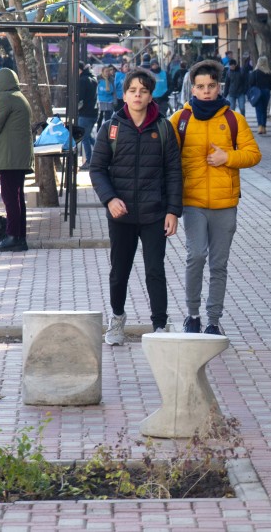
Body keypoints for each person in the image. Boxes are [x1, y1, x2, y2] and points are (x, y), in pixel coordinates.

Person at [169, 60, 262, 336]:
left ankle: (212, 319)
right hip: (192, 202)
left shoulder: (233, 119)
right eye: (200, 87)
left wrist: (227, 158)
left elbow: (254, 154)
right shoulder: (180, 120)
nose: (206, 91)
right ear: (192, 88)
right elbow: (164, 155)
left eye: (211, 86)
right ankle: (192, 315)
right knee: (196, 255)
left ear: (218, 86)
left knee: (218, 263)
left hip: (225, 204)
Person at [90, 69, 183, 343]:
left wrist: (173, 211)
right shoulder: (112, 128)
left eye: (143, 91)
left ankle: (159, 326)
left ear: (151, 94)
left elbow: (174, 172)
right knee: (119, 271)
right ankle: (117, 319)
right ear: (124, 94)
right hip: (122, 214)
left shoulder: (164, 128)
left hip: (155, 213)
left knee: (155, 270)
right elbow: (97, 169)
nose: (138, 95)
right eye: (132, 90)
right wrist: (110, 199)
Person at [0, 68, 34, 252]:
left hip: (10, 157)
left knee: (10, 197)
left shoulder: (5, 98)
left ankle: (13, 237)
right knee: (17, 196)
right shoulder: (19, 96)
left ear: (0, 83)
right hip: (18, 156)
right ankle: (19, 238)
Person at [77, 61, 98, 170]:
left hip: (85, 112)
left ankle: (89, 161)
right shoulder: (93, 78)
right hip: (93, 112)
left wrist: (76, 108)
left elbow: (80, 99)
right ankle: (101, 150)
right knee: (88, 136)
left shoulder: (83, 80)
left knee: (84, 137)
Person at [249, 56, 271, 135]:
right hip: (266, 92)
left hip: (257, 92)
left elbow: (250, 83)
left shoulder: (255, 72)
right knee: (264, 110)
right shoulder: (269, 73)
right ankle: (264, 127)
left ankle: (260, 127)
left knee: (258, 110)